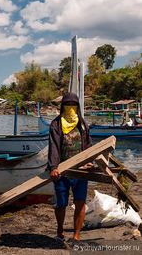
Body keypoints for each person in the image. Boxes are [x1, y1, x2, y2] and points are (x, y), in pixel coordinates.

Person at [47, 92, 93, 241]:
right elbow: (53, 146)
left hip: (81, 170)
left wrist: (89, 160)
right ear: (62, 107)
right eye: (67, 105)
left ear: (77, 107)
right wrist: (54, 167)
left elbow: (88, 145)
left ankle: (76, 235)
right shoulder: (56, 124)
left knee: (80, 201)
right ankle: (60, 231)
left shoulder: (83, 124)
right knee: (61, 203)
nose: (70, 108)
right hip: (62, 170)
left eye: (73, 105)